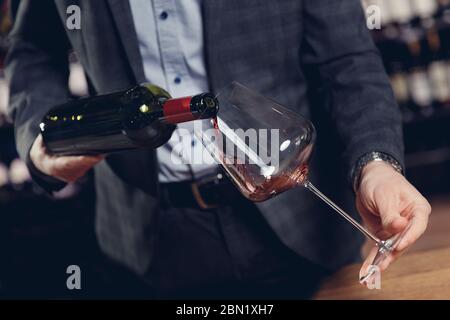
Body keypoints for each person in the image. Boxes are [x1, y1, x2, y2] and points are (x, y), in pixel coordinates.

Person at [5, 0, 431, 298]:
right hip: (146, 237)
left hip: (296, 228)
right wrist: (39, 136)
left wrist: (376, 163)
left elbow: (346, 60)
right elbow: (33, 50)